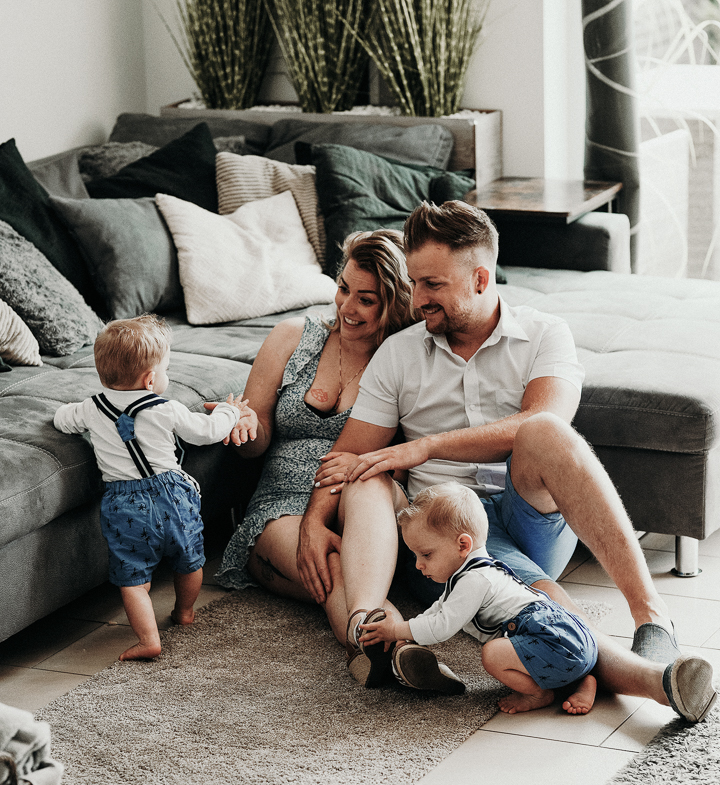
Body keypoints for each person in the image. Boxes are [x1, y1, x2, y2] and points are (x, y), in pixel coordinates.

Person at [299, 200, 717, 723]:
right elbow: (353, 455)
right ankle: (659, 684)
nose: (416, 298)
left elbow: (542, 422)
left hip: (532, 511)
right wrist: (314, 520)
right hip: (451, 529)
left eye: (432, 285)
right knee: (532, 599)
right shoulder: (400, 354)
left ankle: (652, 618)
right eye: (413, 282)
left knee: (543, 431)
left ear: (479, 278)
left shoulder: (545, 335)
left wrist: (426, 445)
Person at [215, 229, 463, 686]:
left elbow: (408, 449)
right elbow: (257, 443)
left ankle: (369, 646)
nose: (347, 307)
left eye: (366, 299)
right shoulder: (292, 336)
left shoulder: (406, 356)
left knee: (346, 540)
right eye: (344, 287)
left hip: (364, 497)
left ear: (393, 302)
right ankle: (396, 650)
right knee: (330, 570)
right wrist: (240, 425)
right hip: (283, 503)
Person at [54, 315, 254, 661]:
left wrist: (65, 415)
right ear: (150, 379)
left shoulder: (91, 408)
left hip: (123, 504)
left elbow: (62, 419)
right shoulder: (167, 409)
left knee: (132, 578)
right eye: (165, 370)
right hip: (172, 496)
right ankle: (185, 612)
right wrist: (229, 411)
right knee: (189, 560)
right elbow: (206, 432)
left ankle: (148, 639)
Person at [358, 481, 600, 715]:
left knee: (493, 655)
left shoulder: (475, 580)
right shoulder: (473, 572)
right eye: (415, 556)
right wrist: (404, 631)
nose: (419, 565)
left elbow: (442, 626)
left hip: (557, 642)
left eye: (426, 554)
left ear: (463, 544)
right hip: (570, 641)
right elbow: (438, 610)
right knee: (516, 653)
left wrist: (397, 631)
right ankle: (580, 681)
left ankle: (539, 693)